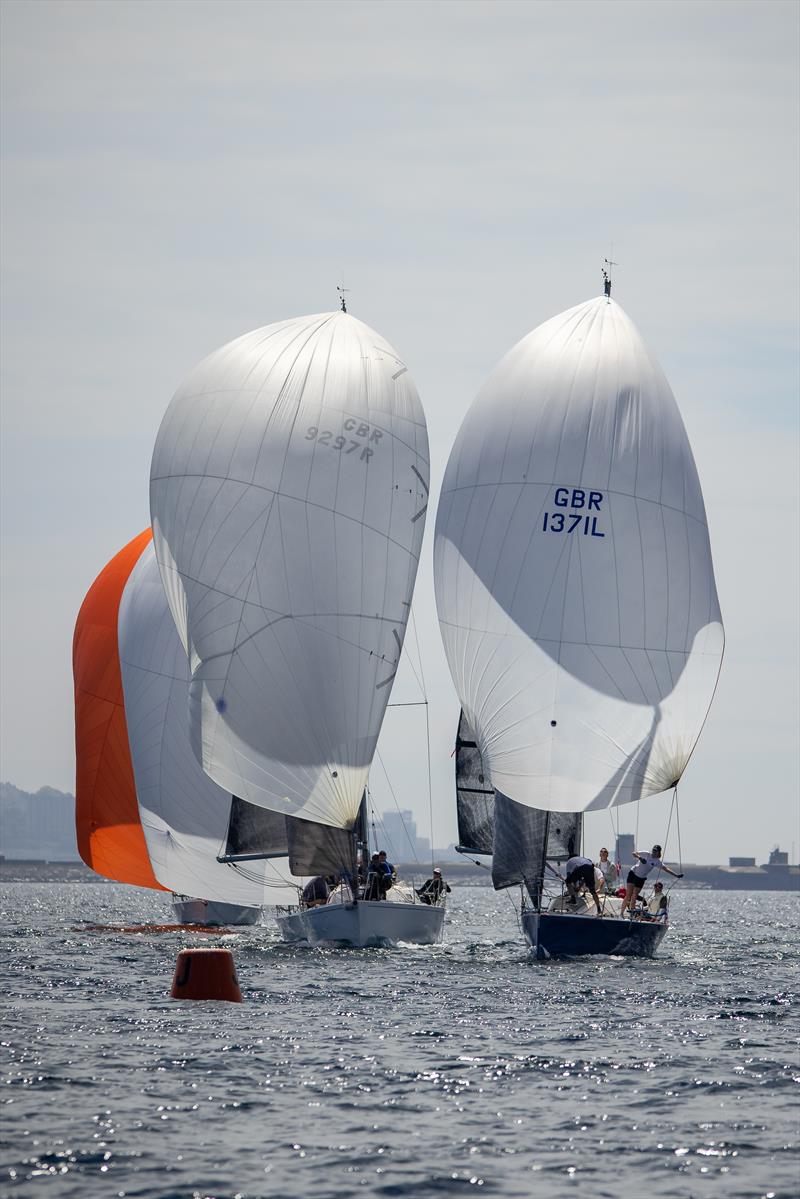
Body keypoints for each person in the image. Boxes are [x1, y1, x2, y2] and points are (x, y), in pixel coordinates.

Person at [620, 845, 682, 916]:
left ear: (658, 852)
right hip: (633, 874)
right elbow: (633, 853)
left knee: (635, 895)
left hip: (641, 878)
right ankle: (621, 913)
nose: (653, 852)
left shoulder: (657, 862)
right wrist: (640, 858)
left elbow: (666, 869)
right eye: (653, 850)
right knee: (628, 894)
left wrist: (676, 875)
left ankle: (632, 914)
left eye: (655, 851)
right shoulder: (646, 854)